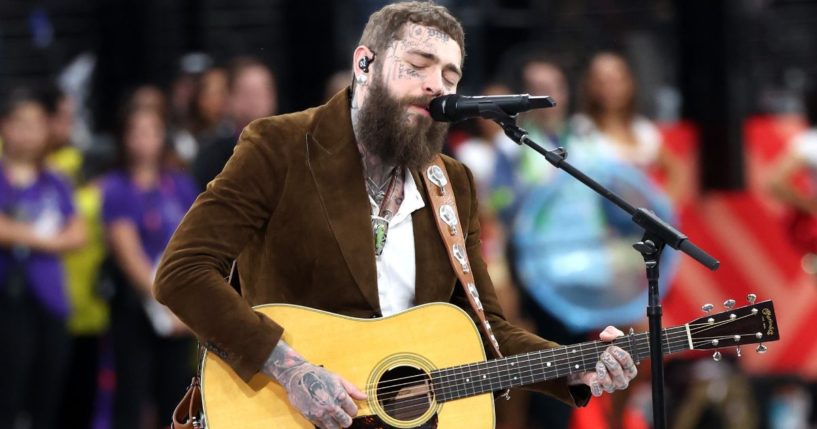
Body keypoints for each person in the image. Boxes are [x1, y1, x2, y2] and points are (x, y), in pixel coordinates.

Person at [154, 3, 638, 429]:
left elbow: (485, 329)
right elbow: (182, 272)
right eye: (418, 66)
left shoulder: (452, 183)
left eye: (450, 76)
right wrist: (290, 369)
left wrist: (574, 365)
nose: (436, 86)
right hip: (283, 413)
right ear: (364, 64)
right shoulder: (279, 146)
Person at [101, 103, 199, 429]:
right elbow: (129, 254)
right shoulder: (117, 188)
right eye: (136, 132)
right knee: (132, 394)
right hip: (137, 306)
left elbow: (196, 240)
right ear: (125, 138)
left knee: (174, 394)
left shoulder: (180, 185)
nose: (144, 140)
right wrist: (164, 303)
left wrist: (186, 305)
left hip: (179, 307)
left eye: (152, 132)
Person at [0, 88, 86, 429]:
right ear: (5, 127)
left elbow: (78, 234)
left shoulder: (56, 180)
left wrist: (21, 233)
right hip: (7, 301)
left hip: (50, 300)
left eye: (37, 124)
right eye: (21, 124)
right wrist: (45, 236)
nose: (29, 132)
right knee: (9, 391)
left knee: (48, 393)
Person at [192, 57, 278, 189]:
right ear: (230, 98)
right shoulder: (212, 157)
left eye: (264, 91)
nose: (257, 100)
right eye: (249, 92)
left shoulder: (292, 149)